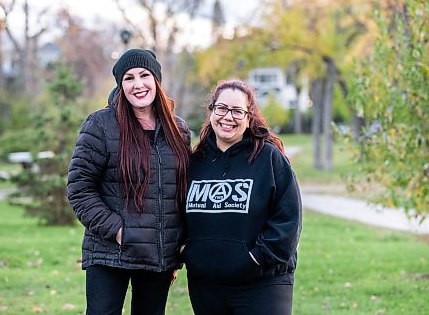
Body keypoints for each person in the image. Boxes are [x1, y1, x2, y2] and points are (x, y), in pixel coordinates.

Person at [67, 48, 191, 315]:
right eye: (129, 78)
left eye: (144, 75)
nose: (138, 84)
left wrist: (178, 241)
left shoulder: (178, 130)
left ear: (156, 80)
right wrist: (117, 230)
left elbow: (181, 192)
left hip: (158, 255)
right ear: (120, 85)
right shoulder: (101, 125)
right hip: (111, 251)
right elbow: (80, 189)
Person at [182, 79, 302, 315]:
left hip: (262, 284)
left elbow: (288, 219)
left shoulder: (269, 159)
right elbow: (175, 211)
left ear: (249, 118)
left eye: (237, 111)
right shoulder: (195, 162)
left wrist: (256, 258)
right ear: (212, 111)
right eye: (222, 108)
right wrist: (188, 252)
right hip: (206, 286)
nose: (228, 117)